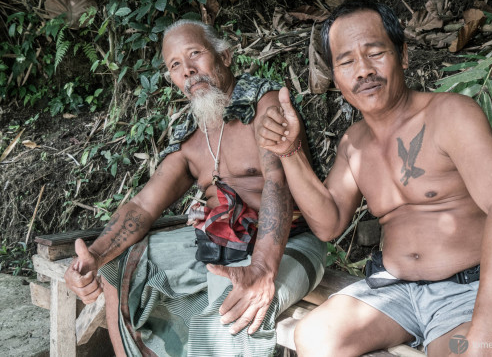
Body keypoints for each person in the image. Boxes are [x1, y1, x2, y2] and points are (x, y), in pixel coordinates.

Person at [256, 0, 492, 357]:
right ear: (336, 79)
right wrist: (289, 153)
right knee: (314, 337)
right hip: (394, 291)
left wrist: (490, 325)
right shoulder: (353, 143)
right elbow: (328, 224)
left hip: (474, 289)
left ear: (403, 56)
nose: (362, 71)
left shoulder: (450, 115)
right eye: (346, 62)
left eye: (375, 53)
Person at [63, 19, 326, 356]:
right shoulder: (189, 136)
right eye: (175, 66)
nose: (187, 71)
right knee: (117, 266)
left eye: (195, 55)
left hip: (290, 242)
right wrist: (94, 257)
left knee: (236, 316)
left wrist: (261, 270)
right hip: (223, 243)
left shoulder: (265, 104)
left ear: (225, 56)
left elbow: (278, 184)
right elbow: (144, 205)